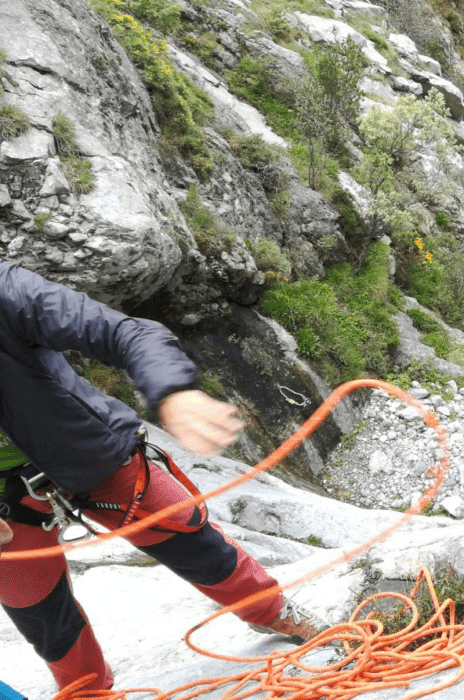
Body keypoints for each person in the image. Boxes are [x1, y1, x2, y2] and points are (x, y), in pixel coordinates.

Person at [0, 262, 323, 692]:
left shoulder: (8, 292)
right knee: (37, 609)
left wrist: (174, 391)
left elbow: (125, 332)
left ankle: (270, 609)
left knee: (190, 537)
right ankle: (89, 691)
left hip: (88, 448)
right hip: (8, 495)